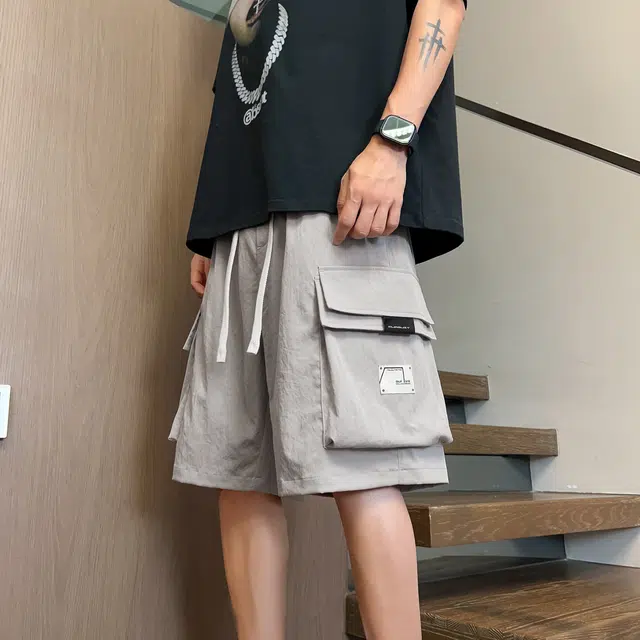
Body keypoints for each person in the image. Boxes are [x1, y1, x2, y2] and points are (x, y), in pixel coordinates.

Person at [170, 0, 467, 637]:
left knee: (366, 463)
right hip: (242, 218)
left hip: (339, 204)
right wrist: (214, 222)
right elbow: (245, 67)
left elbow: (443, 6)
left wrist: (393, 140)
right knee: (239, 469)